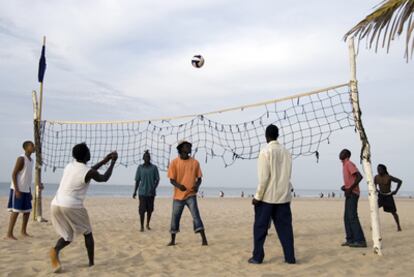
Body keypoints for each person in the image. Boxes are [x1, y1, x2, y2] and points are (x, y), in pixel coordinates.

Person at [49, 143, 118, 273]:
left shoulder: (70, 166)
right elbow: (103, 178)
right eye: (88, 151)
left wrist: (104, 161)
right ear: (86, 155)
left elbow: (88, 172)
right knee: (87, 233)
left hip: (56, 203)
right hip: (72, 206)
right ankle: (91, 263)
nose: (89, 153)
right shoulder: (87, 171)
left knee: (67, 236)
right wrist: (113, 162)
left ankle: (55, 251)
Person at [249, 124, 296, 265]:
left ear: (266, 136)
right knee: (286, 230)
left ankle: (257, 257)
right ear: (277, 135)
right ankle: (290, 258)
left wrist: (257, 197)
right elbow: (287, 175)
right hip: (283, 197)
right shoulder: (287, 152)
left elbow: (264, 178)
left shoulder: (265, 152)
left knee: (260, 229)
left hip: (268, 198)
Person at [167, 140, 208, 246]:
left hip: (191, 195)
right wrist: (179, 186)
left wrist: (197, 186)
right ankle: (172, 240)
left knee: (196, 215)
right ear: (181, 149)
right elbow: (171, 180)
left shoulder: (195, 162)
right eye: (187, 146)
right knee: (175, 217)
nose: (189, 147)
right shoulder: (174, 162)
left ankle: (204, 239)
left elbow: (199, 179)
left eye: (190, 146)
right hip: (178, 196)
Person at [6, 141, 41, 240]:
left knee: (27, 211)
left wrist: (29, 191)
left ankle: (23, 231)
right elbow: (13, 174)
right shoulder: (21, 159)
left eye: (34, 145)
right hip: (17, 189)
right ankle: (9, 234)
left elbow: (28, 178)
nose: (34, 147)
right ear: (26, 148)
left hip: (26, 190)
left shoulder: (31, 160)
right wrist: (16, 190)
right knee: (16, 211)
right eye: (32, 145)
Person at [339, 149, 367, 248]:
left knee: (352, 217)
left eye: (342, 152)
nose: (340, 153)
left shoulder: (349, 164)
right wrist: (345, 187)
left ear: (347, 155)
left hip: (353, 193)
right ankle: (350, 239)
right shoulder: (344, 165)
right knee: (346, 217)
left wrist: (350, 189)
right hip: (349, 193)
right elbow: (351, 180)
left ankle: (360, 240)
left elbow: (359, 177)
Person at [133, 150, 160, 232]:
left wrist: (154, 188)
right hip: (142, 192)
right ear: (143, 158)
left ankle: (147, 224)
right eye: (145, 157)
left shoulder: (154, 168)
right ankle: (141, 226)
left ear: (150, 158)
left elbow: (157, 179)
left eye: (148, 157)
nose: (147, 158)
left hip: (151, 193)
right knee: (142, 210)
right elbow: (137, 180)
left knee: (150, 210)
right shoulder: (140, 168)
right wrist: (134, 191)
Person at [374, 164, 402, 231]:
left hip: (388, 196)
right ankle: (374, 226)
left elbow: (399, 181)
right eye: (378, 169)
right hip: (381, 196)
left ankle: (398, 226)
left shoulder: (388, 177)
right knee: (374, 209)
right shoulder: (376, 177)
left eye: (380, 169)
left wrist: (396, 191)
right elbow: (373, 185)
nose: (378, 171)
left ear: (384, 170)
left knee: (393, 212)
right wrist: (376, 190)